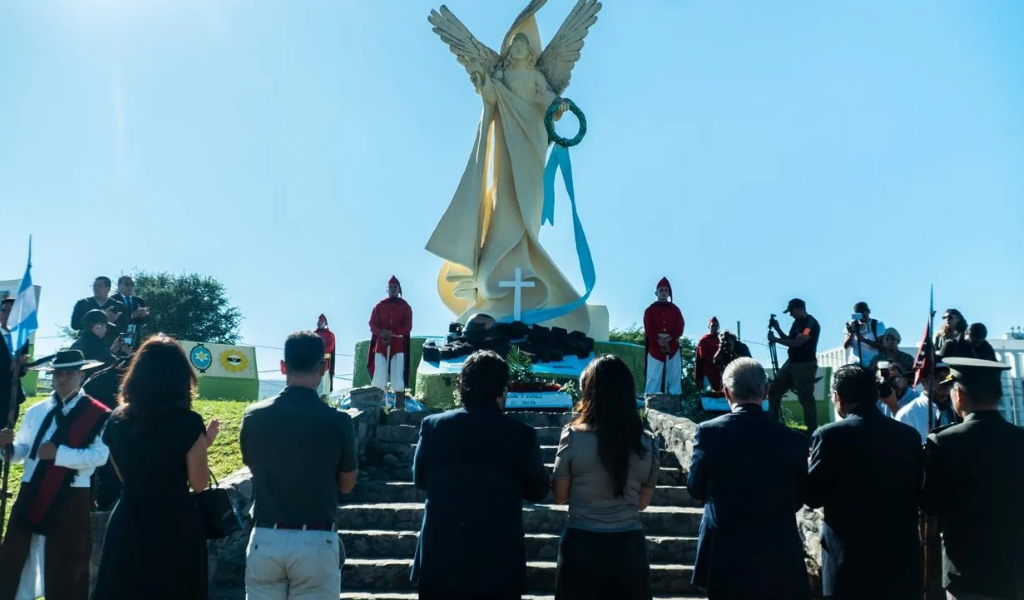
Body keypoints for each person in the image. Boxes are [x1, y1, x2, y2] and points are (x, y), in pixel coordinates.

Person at [411, 350, 550, 600]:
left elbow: (420, 479)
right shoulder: (521, 435)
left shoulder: (433, 426)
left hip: (441, 558)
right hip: (498, 562)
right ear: (502, 389)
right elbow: (538, 490)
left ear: (462, 385)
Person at [92, 335, 220, 600]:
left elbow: (122, 475)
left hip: (128, 516)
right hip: (174, 521)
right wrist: (203, 444)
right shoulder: (188, 422)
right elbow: (199, 484)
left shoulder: (117, 418)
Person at [240, 331, 358, 600]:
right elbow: (347, 484)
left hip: (265, 537)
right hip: (316, 539)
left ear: (283, 366)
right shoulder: (338, 421)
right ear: (324, 367)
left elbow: (252, 465)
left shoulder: (254, 416)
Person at [687, 358, 810, 600]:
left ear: (726, 393)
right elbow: (800, 495)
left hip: (724, 552)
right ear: (766, 391)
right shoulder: (792, 439)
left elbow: (695, 487)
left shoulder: (709, 433)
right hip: (778, 550)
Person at [0, 349, 111, 600]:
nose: (62, 379)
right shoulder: (36, 411)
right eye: (58, 374)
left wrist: (59, 454)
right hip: (31, 490)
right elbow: (23, 451)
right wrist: (6, 448)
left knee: (67, 561)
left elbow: (99, 456)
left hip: (71, 495)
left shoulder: (98, 414)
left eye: (69, 374)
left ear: (81, 376)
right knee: (15, 553)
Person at [806, 364, 923, 600]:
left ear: (837, 397)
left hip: (849, 561)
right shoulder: (909, 436)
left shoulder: (829, 436)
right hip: (900, 559)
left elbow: (813, 495)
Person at [551, 355, 659, 600]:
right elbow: (642, 503)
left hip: (582, 546)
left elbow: (559, 496)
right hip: (629, 548)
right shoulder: (648, 443)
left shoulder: (573, 437)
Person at [921, 357, 1024, 600]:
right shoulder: (1020, 439)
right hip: (1014, 569)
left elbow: (930, 504)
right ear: (998, 396)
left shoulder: (943, 441)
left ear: (959, 395)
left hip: (967, 571)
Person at [767, 298, 822, 434]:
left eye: (791, 311)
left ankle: (811, 430)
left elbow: (798, 342)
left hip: (805, 365)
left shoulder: (810, 324)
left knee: (805, 397)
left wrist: (776, 340)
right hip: (791, 362)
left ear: (800, 309)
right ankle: (773, 423)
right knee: (774, 390)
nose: (790, 314)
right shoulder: (797, 322)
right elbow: (790, 339)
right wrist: (777, 328)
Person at [368, 276, 413, 410]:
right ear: (387, 289)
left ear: (399, 289)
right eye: (391, 287)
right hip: (381, 345)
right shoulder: (379, 306)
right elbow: (372, 324)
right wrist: (381, 332)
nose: (393, 289)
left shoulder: (405, 307)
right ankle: (376, 407)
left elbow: (407, 327)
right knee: (379, 374)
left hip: (398, 345)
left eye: (395, 287)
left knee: (397, 373)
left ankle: (399, 407)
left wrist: (392, 331)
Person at [895, 361, 957, 443]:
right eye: (938, 377)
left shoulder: (958, 409)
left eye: (948, 377)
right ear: (924, 381)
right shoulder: (908, 414)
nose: (945, 382)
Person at [642, 277, 684, 395]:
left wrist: (670, 338)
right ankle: (651, 400)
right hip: (655, 346)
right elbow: (648, 327)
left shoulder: (675, 310)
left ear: (669, 293)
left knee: (674, 374)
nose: (664, 293)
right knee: (654, 374)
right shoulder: (650, 310)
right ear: (656, 293)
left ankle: (674, 400)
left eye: (666, 290)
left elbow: (679, 326)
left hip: (673, 345)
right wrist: (658, 340)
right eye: (661, 290)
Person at [69, 276, 125, 345]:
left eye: (100, 286)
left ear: (108, 288)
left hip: (110, 346)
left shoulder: (118, 305)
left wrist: (114, 322)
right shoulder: (83, 303)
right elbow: (74, 325)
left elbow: (124, 328)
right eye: (94, 286)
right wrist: (102, 318)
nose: (96, 288)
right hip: (87, 344)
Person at [0, 297, 27, 426]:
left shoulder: (22, 339)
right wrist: (10, 365)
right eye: (4, 311)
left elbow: (22, 372)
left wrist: (21, 366)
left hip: (12, 395)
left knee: (7, 433)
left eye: (11, 311)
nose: (6, 315)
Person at [70, 309, 121, 374]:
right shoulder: (95, 344)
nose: (105, 330)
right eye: (105, 326)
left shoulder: (80, 342)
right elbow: (111, 364)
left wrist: (112, 350)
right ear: (98, 326)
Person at [108, 275, 149, 349]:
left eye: (132, 284)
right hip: (117, 339)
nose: (130, 287)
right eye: (127, 284)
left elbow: (145, 321)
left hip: (136, 339)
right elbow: (112, 321)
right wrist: (131, 315)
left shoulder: (139, 301)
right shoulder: (112, 300)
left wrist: (144, 316)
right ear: (119, 286)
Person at [842, 301, 886, 367]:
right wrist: (851, 334)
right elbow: (845, 346)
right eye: (860, 314)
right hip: (855, 364)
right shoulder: (851, 325)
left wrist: (864, 340)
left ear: (868, 312)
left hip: (872, 364)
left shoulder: (877, 324)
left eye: (864, 313)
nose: (863, 317)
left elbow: (882, 346)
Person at [694, 317, 722, 392]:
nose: (715, 327)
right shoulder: (704, 339)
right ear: (709, 326)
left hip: (720, 373)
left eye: (717, 326)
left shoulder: (721, 339)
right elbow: (700, 359)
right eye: (713, 325)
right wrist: (698, 377)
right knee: (709, 393)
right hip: (708, 372)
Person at [315, 314, 337, 393]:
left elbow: (330, 347)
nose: (320, 323)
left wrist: (318, 351)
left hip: (325, 364)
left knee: (324, 389)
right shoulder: (313, 334)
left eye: (322, 321)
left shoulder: (330, 335)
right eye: (319, 321)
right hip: (314, 364)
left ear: (325, 323)